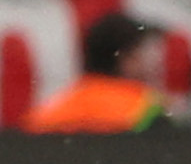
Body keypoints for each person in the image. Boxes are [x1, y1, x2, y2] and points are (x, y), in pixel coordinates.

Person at [25, 11, 168, 132]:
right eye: (146, 53)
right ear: (127, 59)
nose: (156, 63)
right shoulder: (147, 108)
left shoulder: (48, 112)